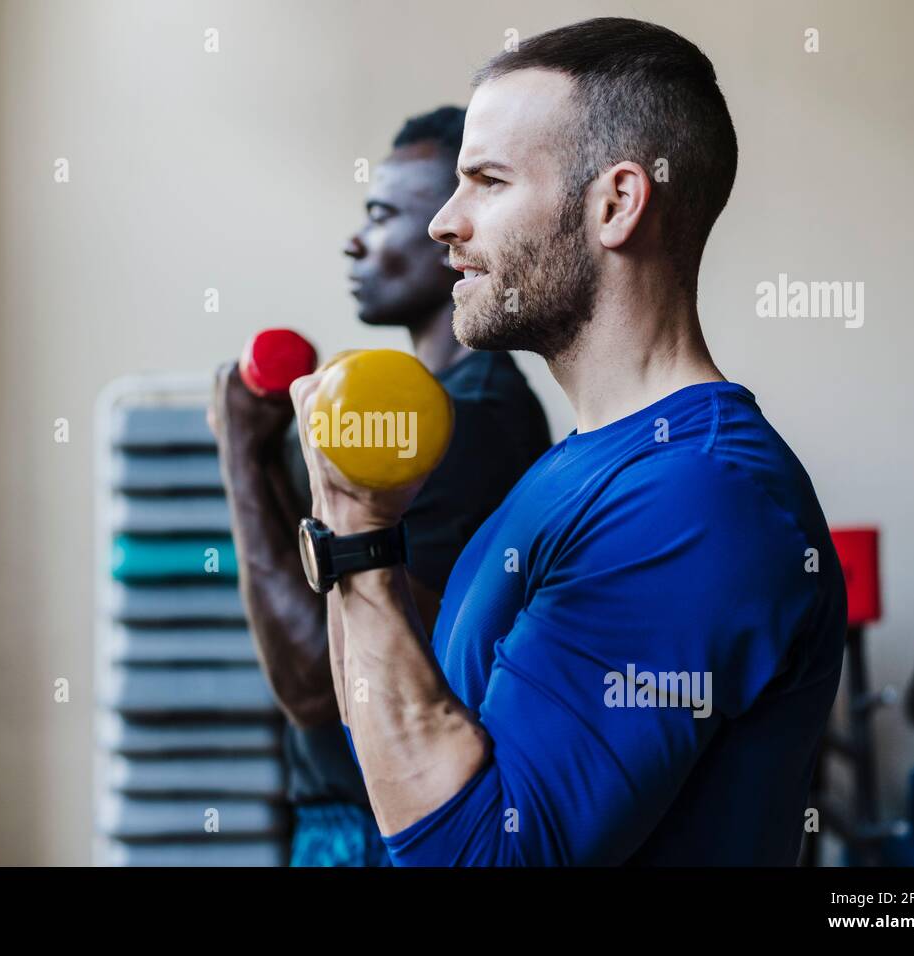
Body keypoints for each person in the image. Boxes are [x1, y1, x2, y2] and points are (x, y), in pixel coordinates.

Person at [289, 18, 849, 865]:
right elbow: (399, 730)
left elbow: (483, 859)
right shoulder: (583, 465)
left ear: (616, 204)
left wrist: (358, 527)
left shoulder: (696, 500)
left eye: (486, 181)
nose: (446, 221)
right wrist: (345, 530)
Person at [208, 106, 552, 866]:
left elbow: (313, 689)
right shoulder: (417, 412)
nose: (355, 240)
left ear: (452, 234)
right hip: (351, 815)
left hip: (384, 827)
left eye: (382, 214)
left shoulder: (468, 423)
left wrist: (237, 453)